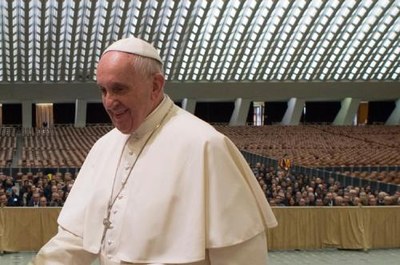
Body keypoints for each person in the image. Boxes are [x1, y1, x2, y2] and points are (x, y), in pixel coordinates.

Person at [31, 36, 277, 265]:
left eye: (119, 89)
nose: (108, 102)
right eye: (103, 90)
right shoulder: (104, 146)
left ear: (155, 86)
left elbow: (242, 256)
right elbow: (76, 238)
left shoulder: (205, 146)